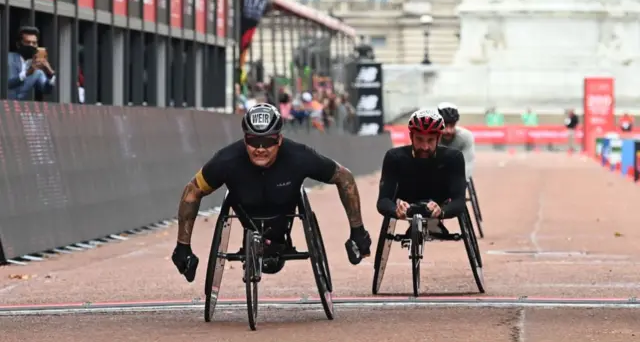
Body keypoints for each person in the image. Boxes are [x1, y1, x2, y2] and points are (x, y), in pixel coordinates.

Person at [171, 103, 372, 281]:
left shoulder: (299, 156)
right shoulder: (226, 161)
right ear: (244, 139)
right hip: (247, 216)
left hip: (282, 222)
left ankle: (274, 242)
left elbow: (344, 177)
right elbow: (192, 191)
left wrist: (357, 231)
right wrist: (183, 246)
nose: (260, 149)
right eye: (253, 141)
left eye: (267, 142)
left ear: (279, 140)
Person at [376, 108, 467, 237]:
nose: (425, 147)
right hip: (408, 200)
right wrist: (395, 209)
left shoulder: (453, 158)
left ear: (438, 138)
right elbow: (383, 200)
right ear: (411, 136)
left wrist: (442, 211)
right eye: (419, 139)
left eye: (430, 140)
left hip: (439, 201)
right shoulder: (394, 157)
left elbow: (459, 201)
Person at [8, 26, 56, 100]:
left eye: (34, 43)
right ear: (18, 44)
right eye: (27, 42)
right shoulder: (8, 58)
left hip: (19, 109)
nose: (31, 45)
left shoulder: (36, 66)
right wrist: (27, 73)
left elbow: (46, 90)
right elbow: (7, 84)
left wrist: (51, 73)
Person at [437, 102, 476, 181]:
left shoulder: (466, 137)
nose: (448, 131)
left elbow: (467, 164)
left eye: (452, 125)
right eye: (444, 125)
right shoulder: (429, 138)